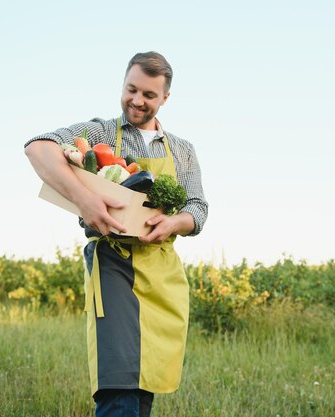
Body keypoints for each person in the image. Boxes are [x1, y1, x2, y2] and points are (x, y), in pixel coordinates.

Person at [24, 51, 208, 417]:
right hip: (112, 263)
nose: (137, 101)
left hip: (160, 273)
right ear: (123, 84)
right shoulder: (100, 132)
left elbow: (197, 209)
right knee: (118, 381)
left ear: (165, 98)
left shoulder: (183, 151)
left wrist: (175, 223)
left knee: (144, 384)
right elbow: (38, 147)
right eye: (131, 89)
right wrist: (86, 201)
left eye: (149, 95)